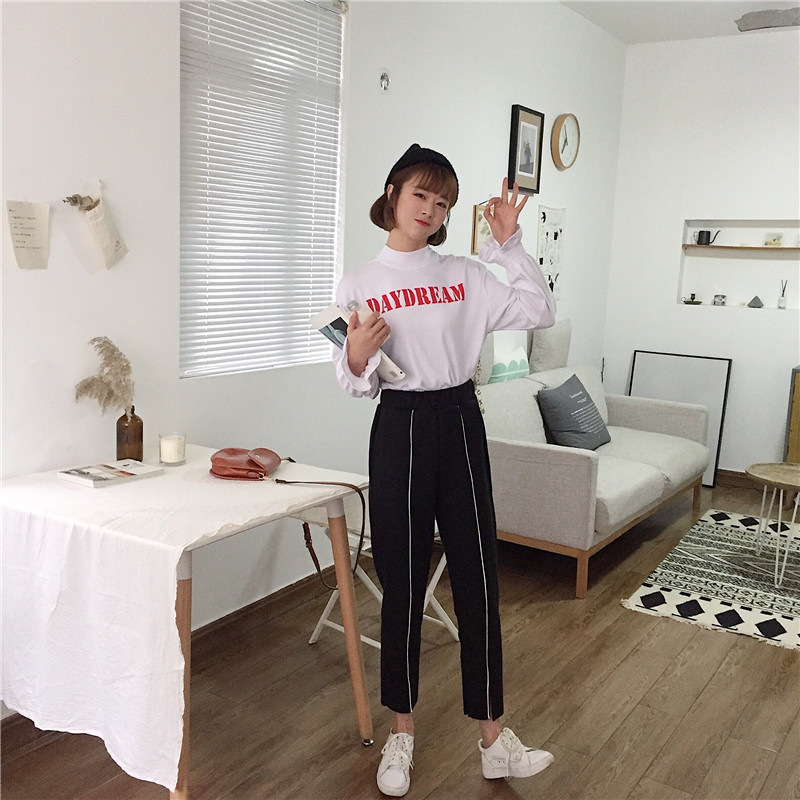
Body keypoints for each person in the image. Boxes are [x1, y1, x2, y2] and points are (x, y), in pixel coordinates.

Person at [333, 144, 556, 797]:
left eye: (443, 202)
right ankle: (401, 733)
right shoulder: (359, 283)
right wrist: (355, 354)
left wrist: (509, 246)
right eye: (420, 195)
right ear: (393, 194)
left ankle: (494, 741)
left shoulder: (466, 274)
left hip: (459, 418)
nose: (430, 210)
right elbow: (353, 382)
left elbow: (539, 311)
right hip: (399, 424)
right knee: (401, 578)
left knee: (478, 576)